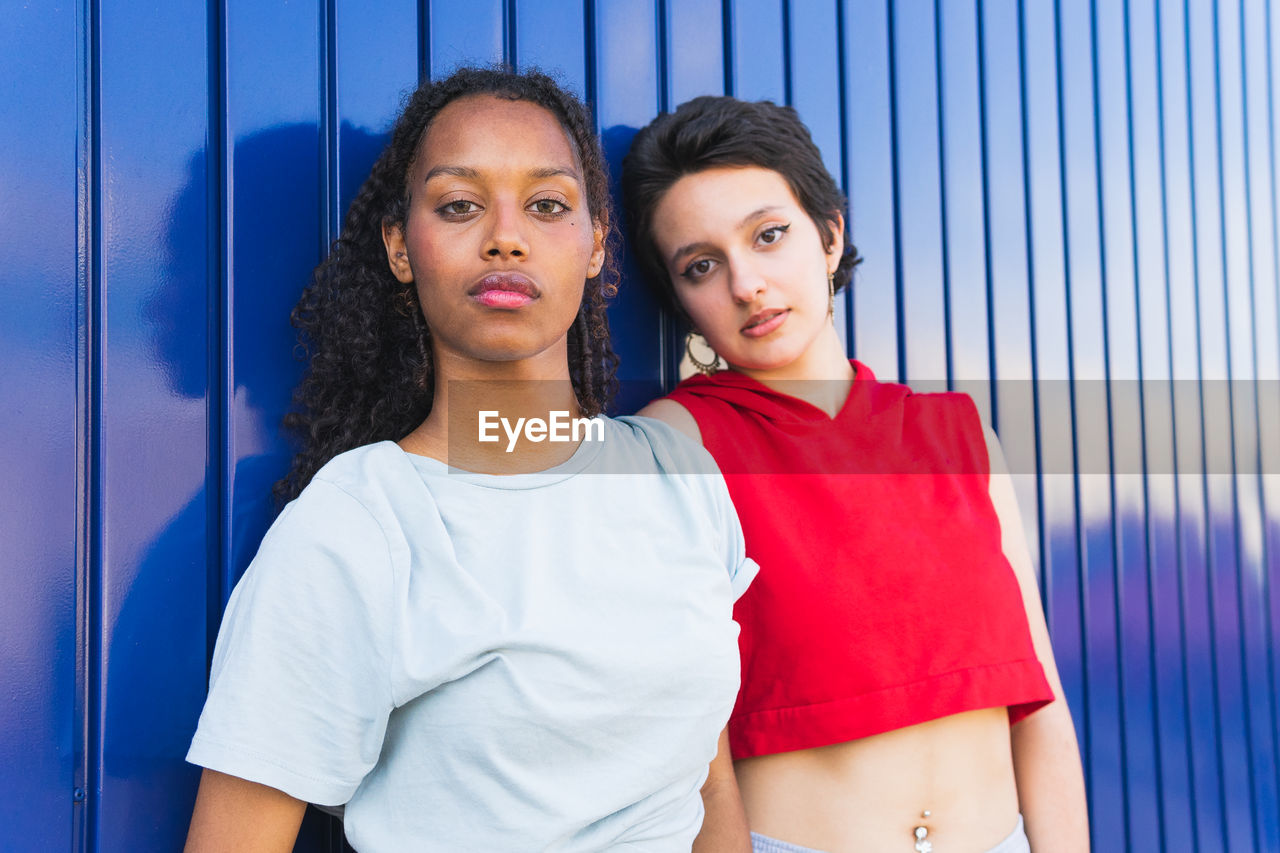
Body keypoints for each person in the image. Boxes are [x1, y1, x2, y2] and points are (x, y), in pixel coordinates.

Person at [184, 68, 758, 852]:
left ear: (595, 245)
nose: (505, 235)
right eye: (459, 204)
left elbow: (708, 778)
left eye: (548, 204)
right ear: (399, 248)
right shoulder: (356, 526)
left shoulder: (675, 475)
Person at [621, 96, 1089, 853]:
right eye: (701, 265)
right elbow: (685, 743)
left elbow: (1040, 703)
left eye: (769, 235)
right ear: (682, 300)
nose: (746, 284)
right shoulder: (676, 445)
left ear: (830, 235)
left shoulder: (961, 434)